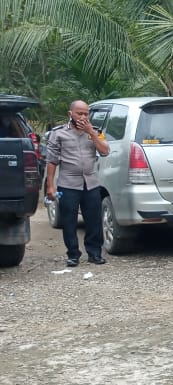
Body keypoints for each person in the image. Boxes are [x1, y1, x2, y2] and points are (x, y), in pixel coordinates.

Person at [45, 100, 110, 267]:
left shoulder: (95, 131)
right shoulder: (58, 134)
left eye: (86, 114)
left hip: (91, 183)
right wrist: (50, 186)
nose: (83, 117)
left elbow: (105, 151)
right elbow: (52, 161)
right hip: (68, 184)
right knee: (69, 221)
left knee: (94, 220)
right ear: (70, 114)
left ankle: (94, 253)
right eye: (79, 113)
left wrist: (91, 133)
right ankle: (73, 254)